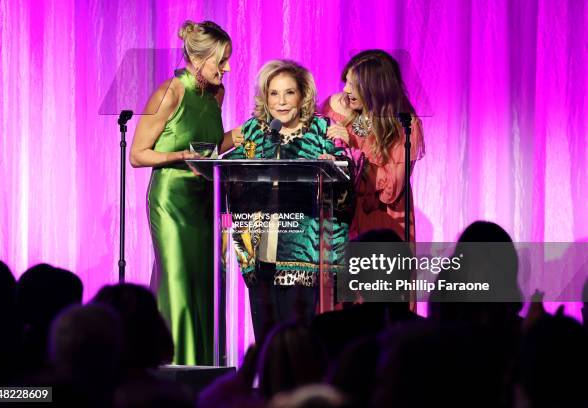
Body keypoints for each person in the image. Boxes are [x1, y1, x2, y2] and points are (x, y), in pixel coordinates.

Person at [130, 20, 232, 365]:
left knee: (204, 285)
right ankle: (176, 366)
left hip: (204, 200)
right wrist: (179, 156)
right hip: (171, 201)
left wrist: (242, 135)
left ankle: (204, 365)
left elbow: (212, 147)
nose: (227, 67)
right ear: (198, 59)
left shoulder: (217, 94)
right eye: (221, 60)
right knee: (177, 281)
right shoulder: (168, 93)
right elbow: (138, 154)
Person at [224, 60, 349, 340]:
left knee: (297, 341)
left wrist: (336, 162)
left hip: (301, 255)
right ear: (265, 97)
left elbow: (345, 179)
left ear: (303, 96)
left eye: (289, 93)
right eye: (274, 93)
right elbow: (228, 170)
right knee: (267, 341)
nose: (281, 102)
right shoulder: (256, 130)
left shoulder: (322, 129)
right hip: (258, 253)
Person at [321, 50, 425, 241]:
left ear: (374, 88)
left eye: (353, 85)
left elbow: (390, 191)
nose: (345, 90)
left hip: (382, 220)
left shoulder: (404, 125)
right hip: (342, 215)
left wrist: (352, 150)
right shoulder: (336, 108)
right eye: (346, 82)